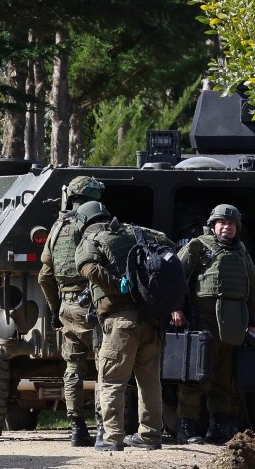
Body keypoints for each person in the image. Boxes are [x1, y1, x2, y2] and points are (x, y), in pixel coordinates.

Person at [75, 202, 164, 452]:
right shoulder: (136, 232)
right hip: (151, 319)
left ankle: (113, 438)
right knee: (150, 382)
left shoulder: (91, 238)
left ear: (84, 221)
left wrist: (117, 285)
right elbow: (167, 243)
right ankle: (150, 436)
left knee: (112, 380)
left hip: (120, 322)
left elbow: (88, 267)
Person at [170, 204, 255, 445]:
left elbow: (250, 290)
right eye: (221, 223)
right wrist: (175, 308)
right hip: (203, 322)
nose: (226, 227)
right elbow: (175, 276)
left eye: (231, 224)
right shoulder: (198, 246)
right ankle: (187, 427)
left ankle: (218, 427)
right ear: (212, 225)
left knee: (224, 378)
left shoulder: (241, 251)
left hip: (232, 324)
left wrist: (252, 322)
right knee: (195, 376)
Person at [38, 176, 105, 447]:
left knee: (73, 367)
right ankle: (104, 427)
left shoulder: (56, 228)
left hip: (67, 306)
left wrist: (55, 310)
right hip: (92, 306)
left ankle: (76, 428)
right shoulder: (92, 224)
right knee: (105, 368)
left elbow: (45, 275)